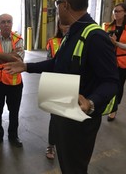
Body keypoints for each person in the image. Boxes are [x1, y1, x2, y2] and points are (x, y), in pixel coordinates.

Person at [4, 0, 119, 173]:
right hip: (63, 106)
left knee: (74, 166)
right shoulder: (73, 32)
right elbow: (56, 63)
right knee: (66, 163)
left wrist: (91, 103)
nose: (56, 10)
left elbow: (112, 81)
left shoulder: (95, 36)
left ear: (65, 5)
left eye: (57, 4)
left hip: (80, 116)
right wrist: (26, 66)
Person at [0, 13, 24, 150]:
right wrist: (10, 56)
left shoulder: (18, 39)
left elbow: (19, 60)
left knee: (14, 111)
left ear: (12, 23)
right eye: (3, 22)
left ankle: (13, 136)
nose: (6, 24)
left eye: (9, 22)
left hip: (14, 82)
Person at [102, 3, 126, 121]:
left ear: (125, 12)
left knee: (118, 85)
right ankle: (106, 105)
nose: (116, 13)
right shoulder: (107, 26)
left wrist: (116, 44)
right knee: (107, 83)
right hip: (109, 60)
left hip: (124, 61)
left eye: (118, 11)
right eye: (114, 11)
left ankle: (113, 109)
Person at [45, 21, 69, 160]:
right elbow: (49, 62)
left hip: (75, 83)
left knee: (70, 117)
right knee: (55, 118)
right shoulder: (53, 42)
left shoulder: (80, 40)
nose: (67, 26)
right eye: (64, 24)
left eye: (69, 24)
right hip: (56, 82)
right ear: (59, 26)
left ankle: (67, 144)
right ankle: (51, 145)